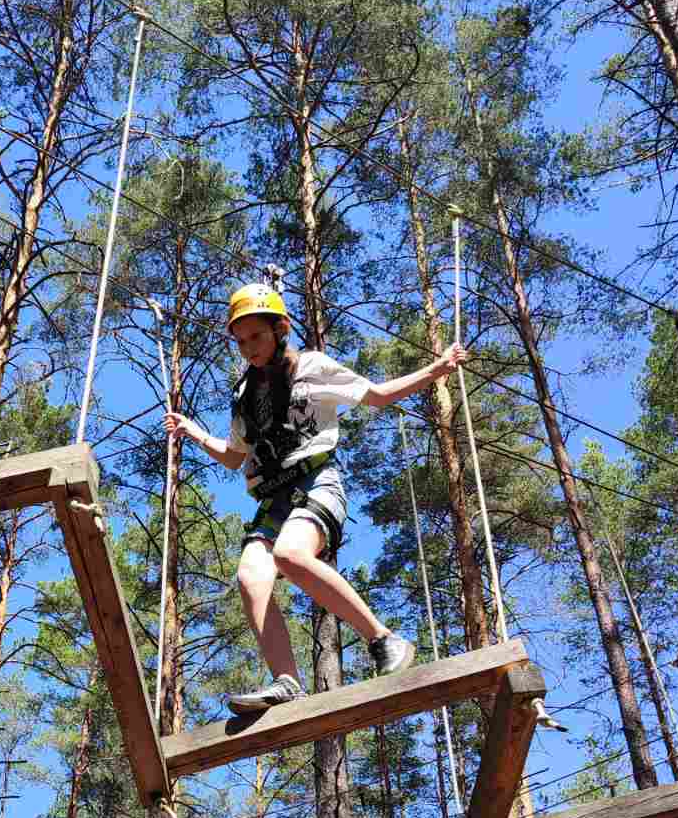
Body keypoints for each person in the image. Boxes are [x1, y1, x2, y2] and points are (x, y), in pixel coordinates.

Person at [165, 281, 468, 712]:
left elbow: (377, 395)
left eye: (257, 336)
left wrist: (436, 370)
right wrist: (194, 432)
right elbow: (235, 458)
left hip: (316, 481)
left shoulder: (312, 367)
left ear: (280, 328)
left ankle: (383, 638)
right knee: (251, 576)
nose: (249, 347)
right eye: (241, 340)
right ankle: (286, 680)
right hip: (273, 499)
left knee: (290, 554)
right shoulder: (244, 396)